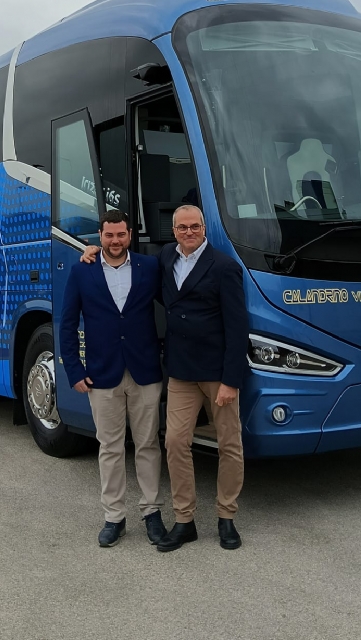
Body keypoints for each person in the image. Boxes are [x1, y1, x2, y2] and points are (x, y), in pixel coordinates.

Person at [81, 204, 249, 552]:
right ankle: (185, 520)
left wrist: (232, 380)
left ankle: (226, 516)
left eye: (195, 226)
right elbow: (122, 257)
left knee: (229, 445)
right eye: (182, 227)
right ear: (173, 232)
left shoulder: (224, 267)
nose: (189, 232)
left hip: (217, 372)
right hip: (182, 371)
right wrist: (95, 250)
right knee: (174, 443)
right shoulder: (165, 259)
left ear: (204, 228)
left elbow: (238, 327)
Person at [59, 210, 167, 548]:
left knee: (148, 444)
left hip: (144, 372)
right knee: (110, 448)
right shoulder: (82, 271)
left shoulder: (149, 267)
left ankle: (152, 512)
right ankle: (114, 517)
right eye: (109, 235)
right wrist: (74, 371)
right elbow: (67, 323)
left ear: (130, 235)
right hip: (102, 375)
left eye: (121, 234)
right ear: (100, 236)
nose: (115, 241)